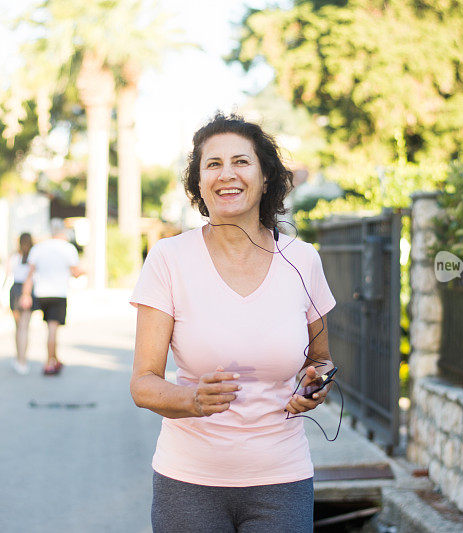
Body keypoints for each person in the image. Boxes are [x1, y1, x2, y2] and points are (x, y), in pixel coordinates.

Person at [129, 113, 337, 533]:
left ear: (265, 178)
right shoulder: (169, 259)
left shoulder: (302, 260)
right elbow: (143, 383)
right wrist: (192, 401)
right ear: (200, 184)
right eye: (213, 164)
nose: (227, 174)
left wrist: (314, 385)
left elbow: (322, 361)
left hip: (282, 481)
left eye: (241, 162)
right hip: (188, 484)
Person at [18, 219, 83, 376]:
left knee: (48, 328)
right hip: (58, 293)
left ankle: (54, 358)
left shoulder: (39, 248)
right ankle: (49, 362)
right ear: (62, 232)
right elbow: (76, 272)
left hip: (41, 293)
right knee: (53, 329)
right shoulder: (68, 248)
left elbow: (30, 274)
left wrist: (25, 294)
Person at [6, 232, 35, 375]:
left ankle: (19, 358)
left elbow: (7, 275)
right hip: (27, 290)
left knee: (18, 328)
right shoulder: (33, 258)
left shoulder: (14, 257)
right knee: (24, 328)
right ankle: (22, 360)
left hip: (15, 290)